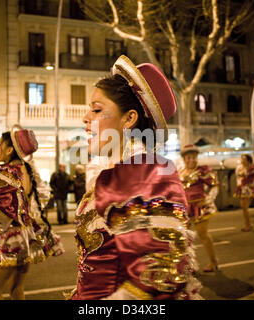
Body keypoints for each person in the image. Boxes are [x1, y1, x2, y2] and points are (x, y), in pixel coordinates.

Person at [70, 55, 201, 300]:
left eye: (97, 109)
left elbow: (159, 275)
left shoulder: (147, 172)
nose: (86, 118)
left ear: (129, 119)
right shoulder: (112, 172)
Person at [0, 126, 63, 300]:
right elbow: (42, 198)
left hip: (12, 236)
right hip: (28, 233)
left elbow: (3, 209)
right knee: (16, 289)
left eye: (0, 144)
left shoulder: (5, 175)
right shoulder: (28, 170)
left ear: (10, 150)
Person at [179, 144, 219, 272]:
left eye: (194, 157)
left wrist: (208, 200)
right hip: (185, 208)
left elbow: (215, 185)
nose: (191, 160)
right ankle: (188, 265)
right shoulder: (180, 172)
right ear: (184, 159)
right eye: (188, 157)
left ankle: (213, 261)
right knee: (184, 237)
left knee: (202, 234)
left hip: (199, 206)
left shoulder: (202, 171)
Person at [233, 154, 254, 232]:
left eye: (244, 159)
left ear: (248, 160)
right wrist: (239, 184)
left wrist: (251, 184)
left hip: (249, 189)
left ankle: (247, 225)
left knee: (245, 208)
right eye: (242, 159)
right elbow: (238, 177)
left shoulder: (252, 168)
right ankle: (248, 224)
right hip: (242, 188)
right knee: (244, 208)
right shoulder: (240, 168)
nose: (242, 160)